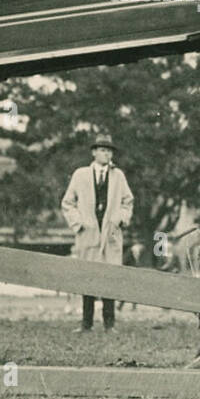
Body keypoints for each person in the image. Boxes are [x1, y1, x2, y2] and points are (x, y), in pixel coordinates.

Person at [60, 133, 134, 331]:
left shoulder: (118, 176)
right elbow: (68, 203)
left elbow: (128, 201)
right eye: (102, 150)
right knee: (88, 277)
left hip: (110, 234)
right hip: (89, 233)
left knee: (108, 278)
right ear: (94, 152)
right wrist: (79, 223)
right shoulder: (80, 174)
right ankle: (86, 324)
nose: (106, 154)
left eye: (109, 150)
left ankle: (109, 324)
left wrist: (120, 218)